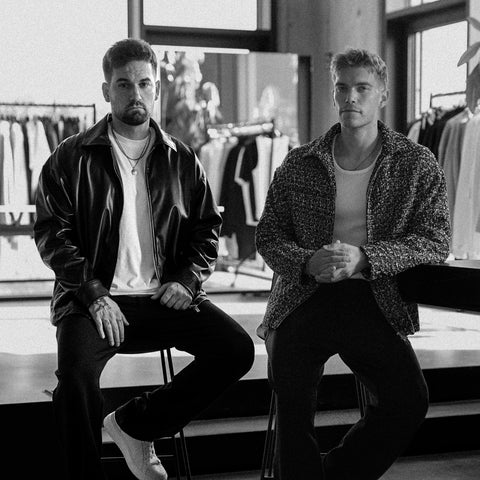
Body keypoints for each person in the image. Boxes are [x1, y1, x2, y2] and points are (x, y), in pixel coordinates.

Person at [34, 38, 254, 480]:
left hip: (162, 299)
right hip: (93, 303)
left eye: (144, 84)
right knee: (75, 381)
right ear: (106, 91)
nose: (135, 93)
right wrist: (94, 293)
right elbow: (52, 233)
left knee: (236, 349)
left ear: (156, 89)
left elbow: (207, 229)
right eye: (123, 84)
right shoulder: (71, 157)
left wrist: (187, 279)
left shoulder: (182, 158)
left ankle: (136, 425)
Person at [255, 48, 450, 480]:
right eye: (342, 87)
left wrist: (367, 258)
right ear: (333, 92)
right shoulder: (300, 161)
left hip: (373, 298)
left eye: (362, 88)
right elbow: (267, 235)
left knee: (409, 400)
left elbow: (435, 240)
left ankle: (334, 474)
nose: (351, 97)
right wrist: (307, 262)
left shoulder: (414, 162)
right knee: (292, 399)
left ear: (382, 94)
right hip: (303, 298)